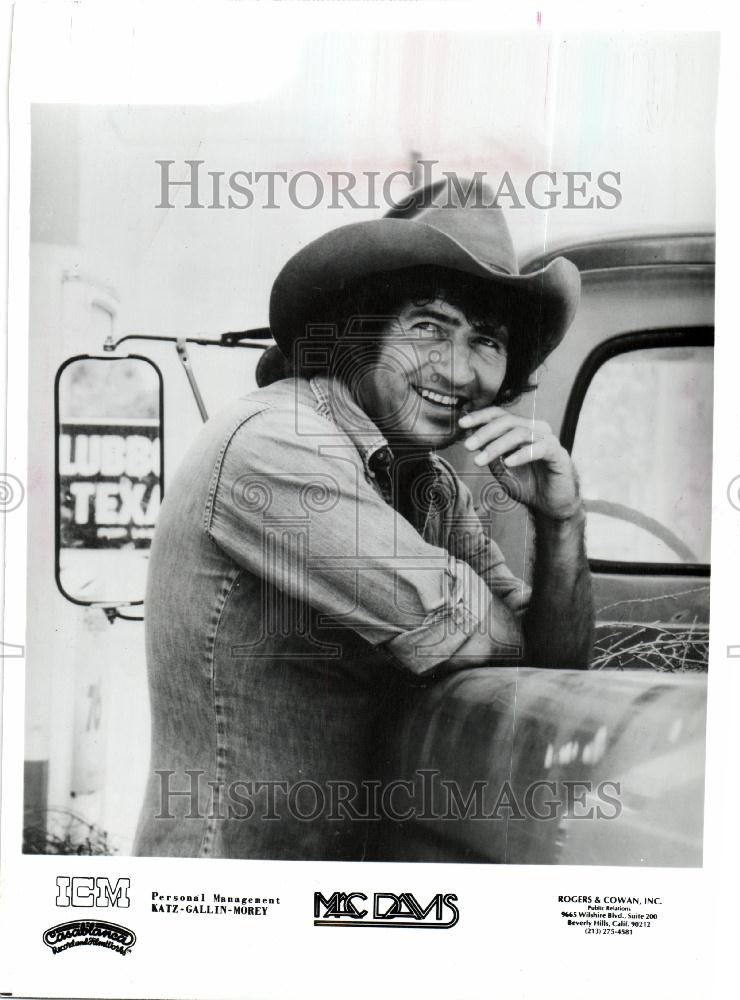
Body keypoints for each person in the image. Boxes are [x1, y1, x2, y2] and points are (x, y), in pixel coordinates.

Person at [134, 177, 593, 860]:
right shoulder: (278, 442)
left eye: (487, 340)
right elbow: (470, 632)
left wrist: (562, 521)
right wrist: (496, 619)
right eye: (429, 328)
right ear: (362, 330)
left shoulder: (433, 486)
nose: (458, 370)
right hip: (226, 896)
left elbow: (548, 674)